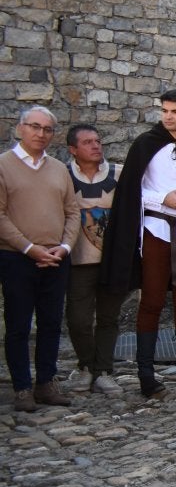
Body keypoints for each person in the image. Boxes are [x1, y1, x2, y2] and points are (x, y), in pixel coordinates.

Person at [100, 89, 176, 398]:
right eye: (165, 110)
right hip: (156, 230)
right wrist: (162, 198)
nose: (168, 116)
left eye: (175, 111)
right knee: (152, 301)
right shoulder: (146, 144)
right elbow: (132, 190)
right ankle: (146, 375)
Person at [0, 106, 79, 411]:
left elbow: (72, 212)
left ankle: (46, 382)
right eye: (35, 127)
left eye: (47, 129)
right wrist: (29, 248)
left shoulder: (59, 169)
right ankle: (22, 387)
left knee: (50, 323)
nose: (40, 134)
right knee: (19, 325)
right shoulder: (5, 166)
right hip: (17, 258)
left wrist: (64, 247)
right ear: (20, 128)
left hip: (56, 257)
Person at [63, 123, 125, 395]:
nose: (96, 146)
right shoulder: (61, 176)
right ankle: (87, 365)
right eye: (88, 142)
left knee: (109, 317)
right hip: (77, 260)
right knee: (78, 319)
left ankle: (103, 370)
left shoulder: (118, 174)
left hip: (111, 260)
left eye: (98, 141)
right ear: (73, 149)